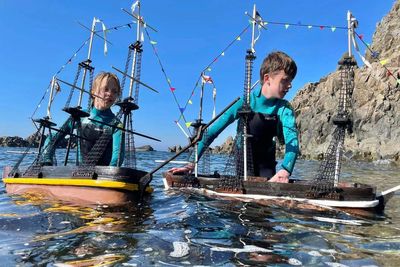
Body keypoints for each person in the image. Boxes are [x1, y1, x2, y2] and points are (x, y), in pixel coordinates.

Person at [169, 51, 299, 183]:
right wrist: (191, 164)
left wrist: (285, 170)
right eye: (285, 80)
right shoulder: (245, 102)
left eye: (291, 80)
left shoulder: (285, 108)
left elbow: (292, 141)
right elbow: (212, 131)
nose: (290, 85)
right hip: (243, 158)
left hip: (266, 160)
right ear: (267, 79)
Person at [42, 72, 124, 166]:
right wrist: (47, 159)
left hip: (102, 177)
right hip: (79, 175)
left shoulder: (117, 125)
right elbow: (52, 138)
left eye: (115, 91)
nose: (110, 94)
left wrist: (110, 173)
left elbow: (118, 156)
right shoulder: (79, 116)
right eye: (106, 89)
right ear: (93, 92)